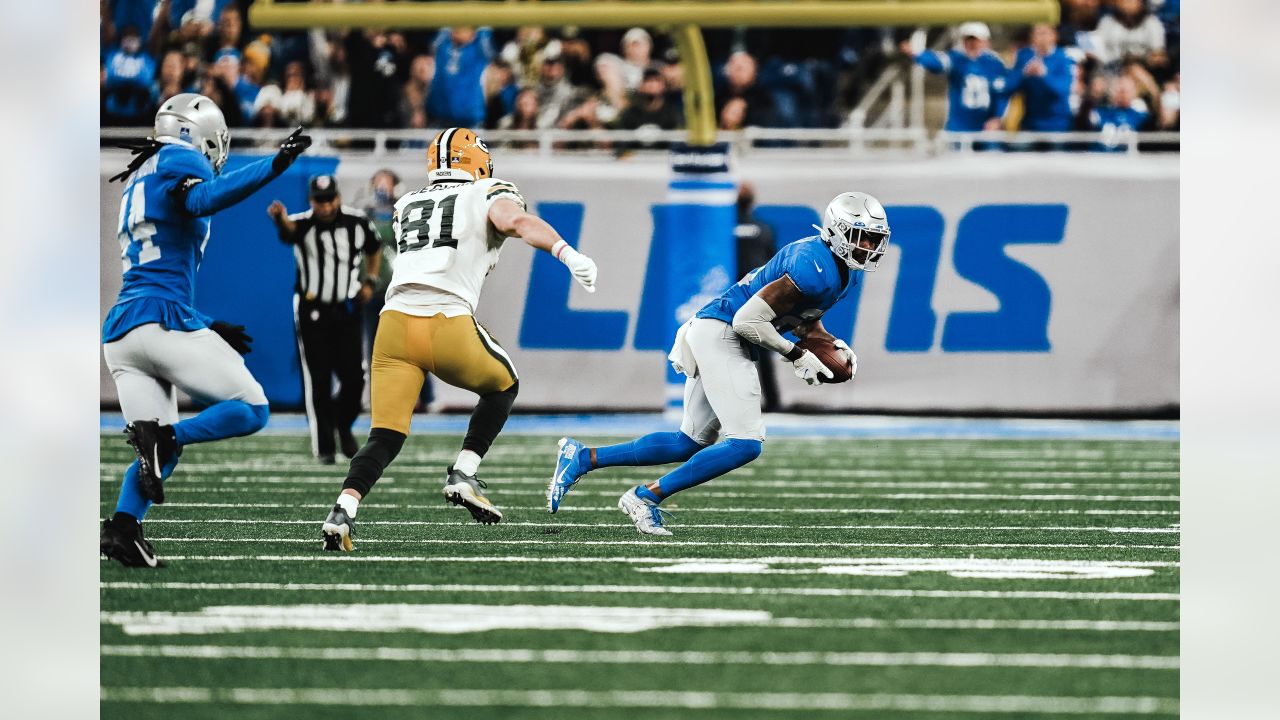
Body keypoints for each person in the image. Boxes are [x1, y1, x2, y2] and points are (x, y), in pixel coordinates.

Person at [320, 127, 600, 551]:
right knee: (504, 384)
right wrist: (567, 252)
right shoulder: (487, 190)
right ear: (476, 161)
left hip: (393, 326)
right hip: (444, 321)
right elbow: (517, 221)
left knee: (386, 434)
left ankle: (343, 510)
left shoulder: (407, 203)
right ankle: (464, 471)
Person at [548, 192, 889, 535]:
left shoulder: (845, 271)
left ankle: (583, 457)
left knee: (688, 442)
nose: (871, 246)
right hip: (723, 331)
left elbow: (804, 318)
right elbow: (747, 321)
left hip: (719, 331)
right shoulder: (811, 264)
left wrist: (828, 342)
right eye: (864, 237)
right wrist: (797, 354)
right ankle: (644, 496)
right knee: (745, 443)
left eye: (876, 239)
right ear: (836, 231)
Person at [100, 94, 311, 567]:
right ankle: (167, 438)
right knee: (251, 408)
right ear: (202, 137)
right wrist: (273, 166)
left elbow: (155, 264)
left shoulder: (141, 171)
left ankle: (123, 529)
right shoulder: (179, 157)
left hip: (124, 333)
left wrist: (208, 323)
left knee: (154, 455)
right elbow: (201, 199)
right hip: (160, 320)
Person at [267, 175, 383, 464]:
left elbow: (374, 247)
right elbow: (288, 232)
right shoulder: (304, 223)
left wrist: (369, 281)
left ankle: (341, 424)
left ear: (338, 197)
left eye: (330, 199)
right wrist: (280, 218)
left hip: (346, 307)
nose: (326, 206)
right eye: (320, 200)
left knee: (355, 379)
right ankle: (325, 449)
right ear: (311, 201)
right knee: (318, 380)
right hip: (312, 310)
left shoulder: (357, 222)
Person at [904, 22, 1009, 132]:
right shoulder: (956, 59)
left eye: (976, 40)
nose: (972, 44)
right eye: (968, 39)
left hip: (986, 125)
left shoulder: (995, 63)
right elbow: (937, 62)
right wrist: (918, 54)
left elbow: (1003, 93)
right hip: (959, 126)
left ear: (985, 41)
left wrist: (997, 117)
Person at [734, 183, 781, 412]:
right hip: (760, 296)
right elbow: (773, 264)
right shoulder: (764, 228)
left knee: (730, 350)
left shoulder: (722, 229)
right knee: (764, 349)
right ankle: (772, 401)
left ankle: (737, 400)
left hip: (733, 296)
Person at [1005, 24, 1076, 132]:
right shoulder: (1024, 56)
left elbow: (1063, 90)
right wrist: (1024, 74)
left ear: (1054, 36)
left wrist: (1044, 75)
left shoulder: (1063, 58)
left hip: (1057, 123)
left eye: (1044, 33)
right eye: (1036, 33)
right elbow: (1009, 87)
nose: (1041, 38)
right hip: (1031, 122)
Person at [426, 26, 494, 128]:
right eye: (456, 28)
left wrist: (480, 32)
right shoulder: (443, 45)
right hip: (440, 113)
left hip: (469, 115)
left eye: (463, 28)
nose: (457, 31)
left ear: (473, 34)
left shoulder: (479, 48)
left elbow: (486, 36)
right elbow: (434, 43)